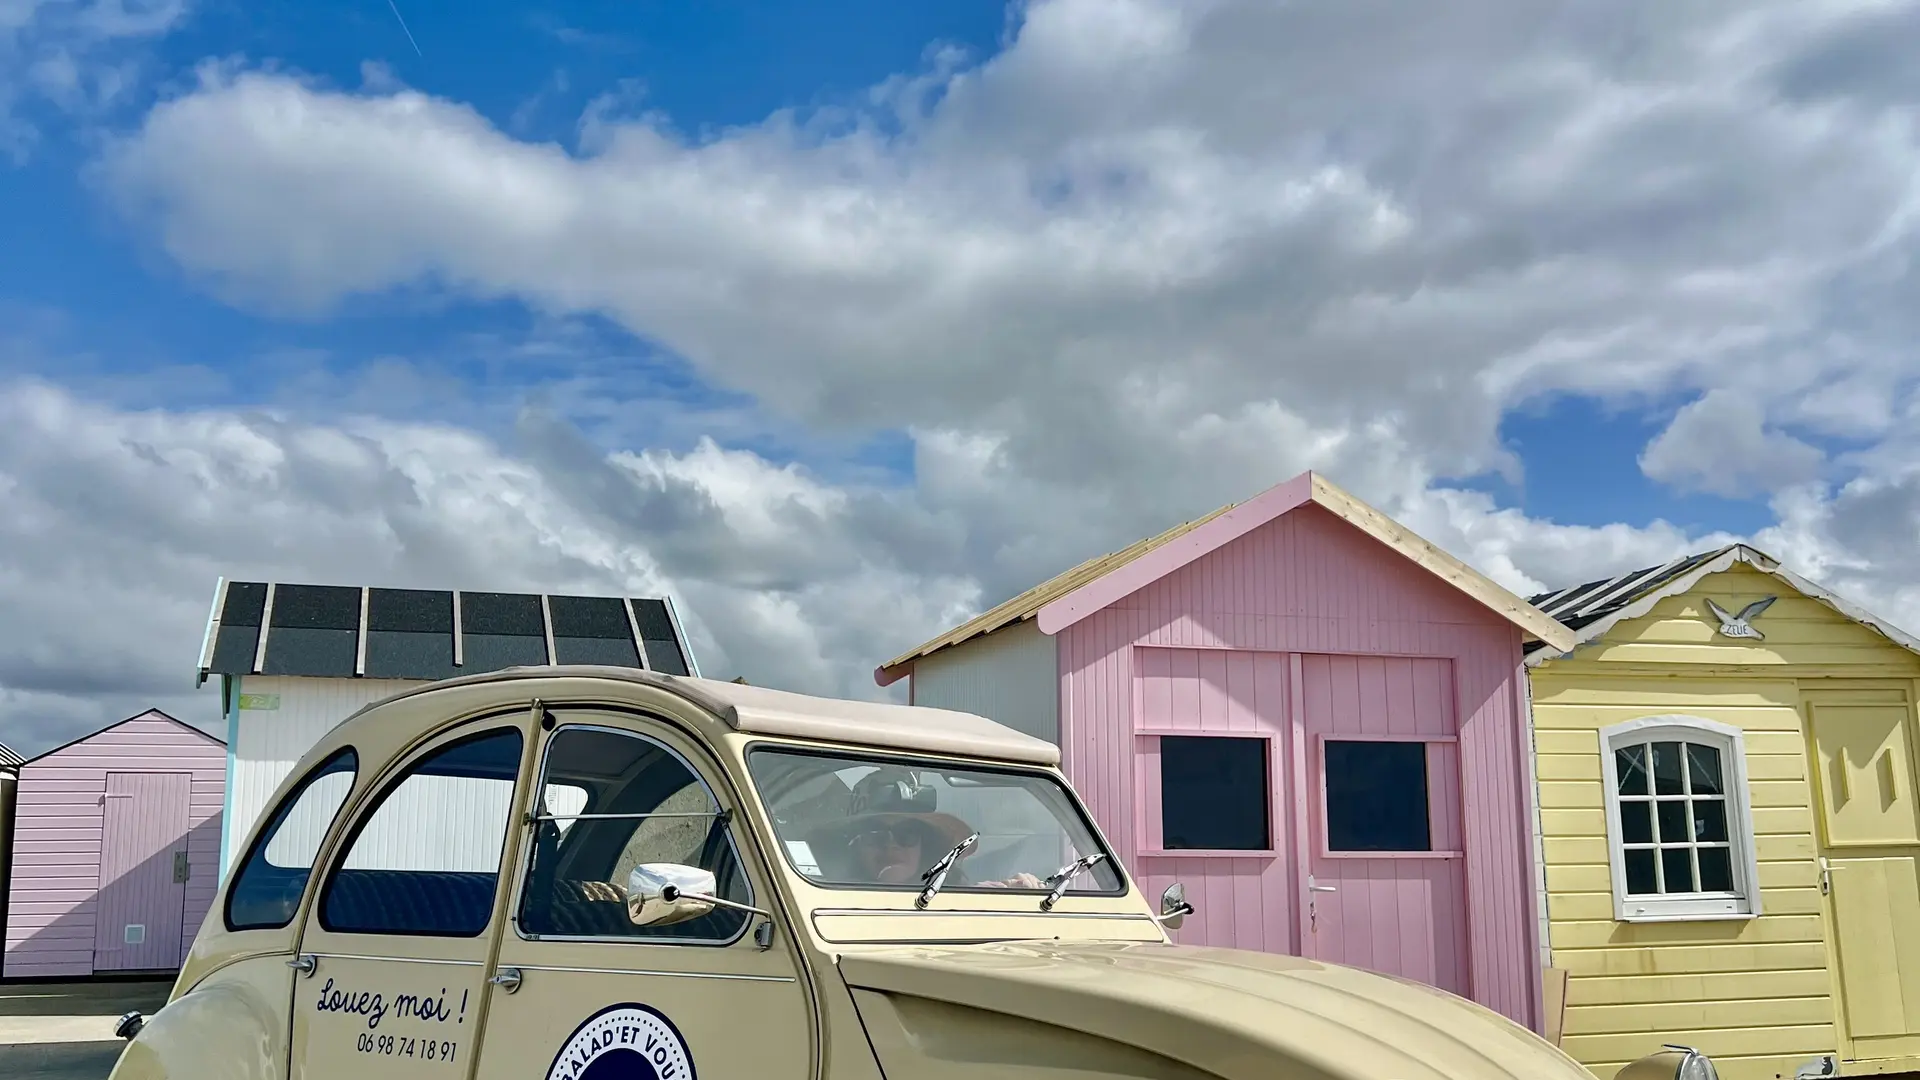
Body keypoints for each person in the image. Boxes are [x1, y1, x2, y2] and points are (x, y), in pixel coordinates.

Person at [844, 814, 1045, 890]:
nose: (891, 845)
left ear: (925, 847)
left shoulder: (956, 899)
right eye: (874, 835)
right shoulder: (829, 902)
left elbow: (978, 897)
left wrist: (1019, 887)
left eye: (906, 834)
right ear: (855, 847)